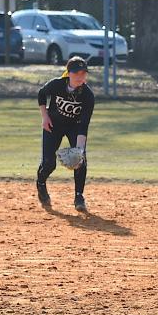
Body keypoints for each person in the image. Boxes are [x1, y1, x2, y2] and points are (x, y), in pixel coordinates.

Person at [36, 56, 95, 212]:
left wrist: (80, 149)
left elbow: (84, 124)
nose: (80, 77)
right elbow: (41, 94)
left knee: (80, 159)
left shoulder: (87, 95)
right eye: (76, 73)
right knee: (49, 163)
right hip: (53, 125)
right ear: (69, 73)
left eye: (83, 73)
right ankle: (41, 183)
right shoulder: (57, 84)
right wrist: (45, 116)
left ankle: (79, 196)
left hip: (74, 127)